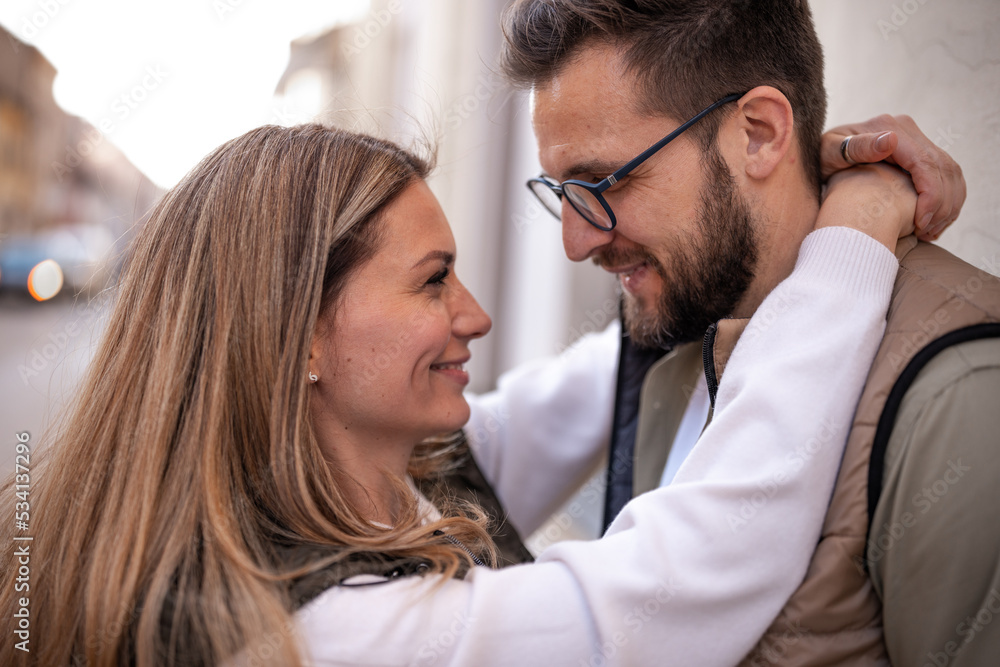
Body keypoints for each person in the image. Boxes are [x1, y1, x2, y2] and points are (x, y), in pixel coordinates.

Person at [0, 122, 914, 666]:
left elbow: (584, 388)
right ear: (299, 335)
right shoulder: (331, 631)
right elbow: (693, 576)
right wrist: (857, 230)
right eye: (433, 280)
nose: (475, 316)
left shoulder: (386, 473)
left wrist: (739, 215)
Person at [466, 0, 1000, 664]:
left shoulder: (961, 395)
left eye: (604, 182)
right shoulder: (668, 332)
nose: (577, 243)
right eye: (563, 191)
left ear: (760, 133)